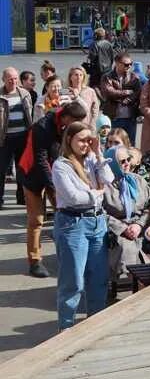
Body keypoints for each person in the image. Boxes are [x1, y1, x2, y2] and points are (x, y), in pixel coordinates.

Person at [52, 121, 113, 329]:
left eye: (89, 140)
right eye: (81, 140)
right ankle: (66, 330)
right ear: (69, 140)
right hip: (72, 223)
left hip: (97, 222)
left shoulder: (91, 159)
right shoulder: (61, 165)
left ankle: (94, 327)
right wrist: (95, 194)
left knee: (99, 280)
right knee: (73, 283)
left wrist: (99, 153)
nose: (86, 144)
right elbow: (72, 198)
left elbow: (109, 179)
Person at [19, 101, 89, 278]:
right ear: (65, 117)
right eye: (74, 122)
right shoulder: (42, 127)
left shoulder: (68, 125)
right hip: (33, 173)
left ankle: (69, 253)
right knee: (36, 220)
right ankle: (34, 261)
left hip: (56, 171)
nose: (76, 126)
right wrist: (56, 187)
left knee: (66, 212)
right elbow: (41, 160)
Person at [102, 144, 150, 293]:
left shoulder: (138, 181)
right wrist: (123, 229)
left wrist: (139, 224)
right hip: (117, 230)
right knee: (127, 247)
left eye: (128, 159)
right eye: (122, 161)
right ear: (111, 163)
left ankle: (146, 285)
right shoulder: (104, 186)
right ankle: (139, 288)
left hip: (141, 226)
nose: (127, 164)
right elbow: (100, 213)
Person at [0, 67, 34, 209]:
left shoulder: (25, 94)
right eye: (10, 79)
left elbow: (30, 114)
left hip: (23, 137)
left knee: (22, 169)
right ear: (3, 80)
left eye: (15, 78)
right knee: (1, 170)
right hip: (5, 138)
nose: (13, 81)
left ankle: (22, 197)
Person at [99, 52, 141, 143]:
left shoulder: (134, 77)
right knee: (113, 144)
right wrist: (126, 92)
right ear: (117, 63)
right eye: (126, 64)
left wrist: (129, 99)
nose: (129, 66)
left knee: (130, 144)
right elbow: (108, 92)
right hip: (114, 117)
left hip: (130, 118)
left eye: (131, 64)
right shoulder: (107, 77)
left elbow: (138, 92)